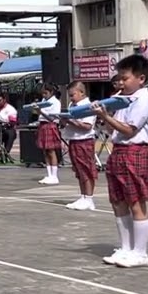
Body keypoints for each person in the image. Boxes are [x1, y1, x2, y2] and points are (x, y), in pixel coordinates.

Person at [93, 55, 148, 268]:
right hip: (119, 151)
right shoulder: (123, 99)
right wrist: (104, 116)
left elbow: (130, 130)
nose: (121, 83)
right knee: (118, 202)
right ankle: (126, 248)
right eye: (119, 78)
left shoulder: (144, 100)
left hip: (135, 152)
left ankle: (140, 252)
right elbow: (114, 129)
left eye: (125, 78)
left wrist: (107, 116)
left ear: (140, 78)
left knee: (136, 202)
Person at [59, 82, 98, 211]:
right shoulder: (72, 105)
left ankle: (89, 198)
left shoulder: (88, 106)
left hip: (84, 141)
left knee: (86, 170)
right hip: (74, 140)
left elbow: (87, 126)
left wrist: (70, 120)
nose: (71, 98)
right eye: (69, 96)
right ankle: (83, 196)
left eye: (73, 95)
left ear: (82, 92)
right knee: (79, 170)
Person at [34, 85, 63, 185]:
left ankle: (54, 176)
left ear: (51, 92)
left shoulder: (55, 102)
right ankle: (49, 174)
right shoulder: (43, 101)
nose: (44, 95)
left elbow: (52, 118)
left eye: (45, 93)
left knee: (51, 150)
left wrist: (40, 111)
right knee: (45, 151)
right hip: (42, 125)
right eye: (42, 93)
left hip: (50, 125)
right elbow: (41, 116)